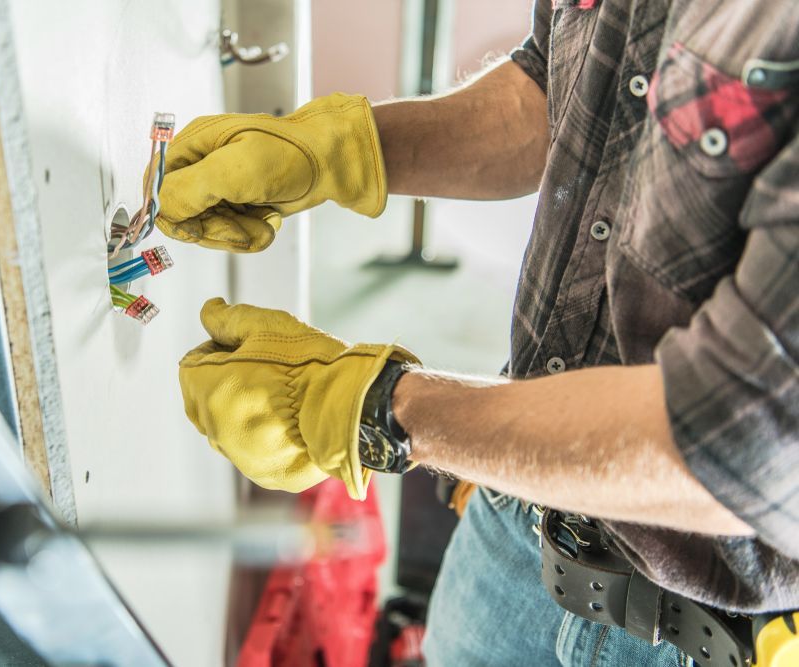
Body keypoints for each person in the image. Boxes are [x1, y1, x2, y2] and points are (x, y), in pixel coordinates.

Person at [155, 0, 799, 663]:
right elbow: (551, 95)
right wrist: (341, 151)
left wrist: (379, 409)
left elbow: (747, 443)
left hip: (700, 632)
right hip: (518, 529)